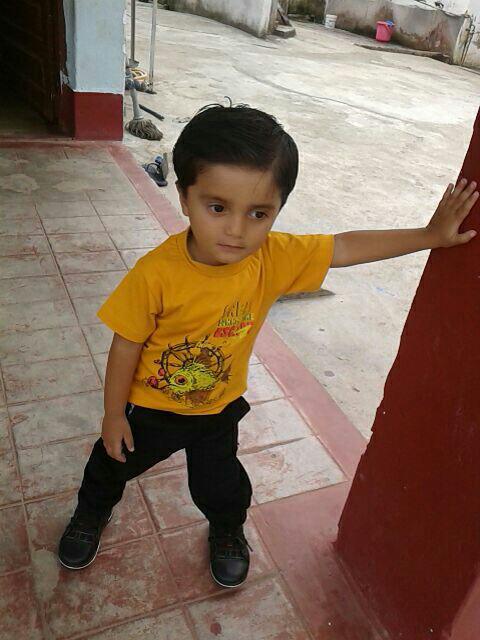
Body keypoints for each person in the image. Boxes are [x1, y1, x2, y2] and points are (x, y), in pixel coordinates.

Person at [58, 104, 478, 588]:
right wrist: (113, 414)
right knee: (109, 466)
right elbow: (125, 346)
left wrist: (428, 236)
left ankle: (227, 529)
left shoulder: (273, 257)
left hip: (217, 410)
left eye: (258, 213)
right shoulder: (155, 274)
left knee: (221, 486)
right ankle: (90, 514)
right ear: (184, 198)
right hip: (151, 409)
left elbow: (343, 247)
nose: (237, 230)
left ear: (277, 210)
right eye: (218, 208)